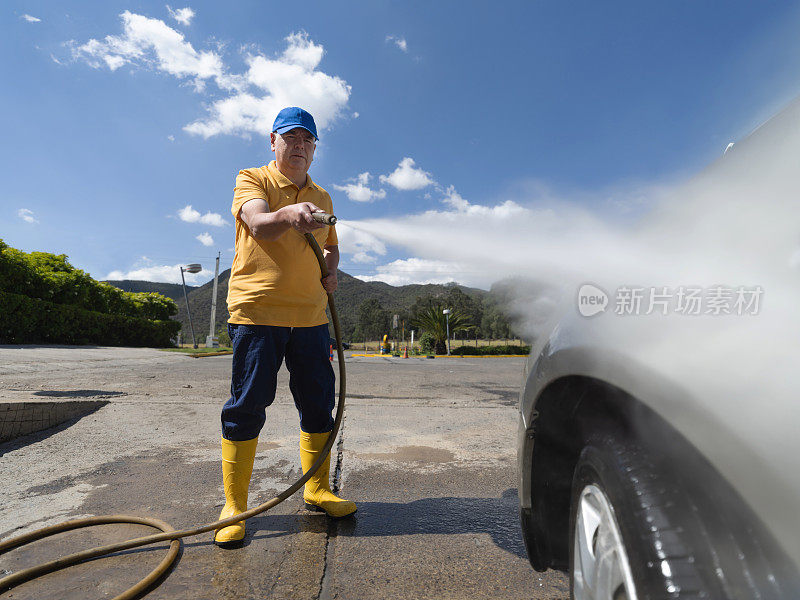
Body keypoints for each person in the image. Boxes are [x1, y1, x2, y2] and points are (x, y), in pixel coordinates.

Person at [215, 106, 356, 548]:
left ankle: (316, 488)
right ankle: (234, 506)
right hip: (258, 313)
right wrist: (288, 215)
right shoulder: (252, 178)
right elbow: (257, 223)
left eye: (307, 140)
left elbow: (331, 248)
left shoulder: (323, 197)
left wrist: (331, 271)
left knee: (319, 403)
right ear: (273, 141)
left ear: (315, 149)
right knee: (248, 404)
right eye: (291, 137)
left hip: (312, 318)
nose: (299, 146)